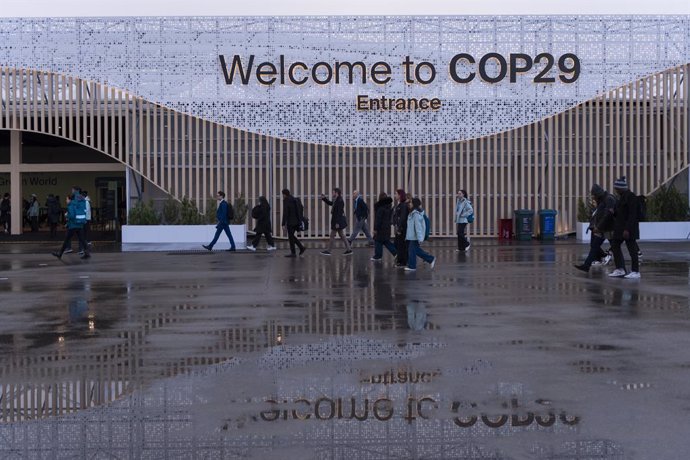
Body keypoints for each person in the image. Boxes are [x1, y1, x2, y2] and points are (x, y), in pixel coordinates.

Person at [574, 184, 616, 273]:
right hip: (603, 228)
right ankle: (587, 265)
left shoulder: (608, 199)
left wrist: (599, 227)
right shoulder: (602, 200)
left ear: (598, 194)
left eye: (594, 195)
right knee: (595, 246)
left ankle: (621, 268)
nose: (593, 197)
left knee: (615, 248)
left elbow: (607, 215)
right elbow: (598, 215)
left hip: (607, 228)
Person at [608, 176, 641, 279]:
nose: (616, 191)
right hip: (620, 228)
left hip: (628, 229)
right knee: (614, 245)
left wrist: (627, 229)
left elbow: (632, 215)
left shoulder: (631, 197)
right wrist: (614, 212)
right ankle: (620, 269)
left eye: (617, 189)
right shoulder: (621, 197)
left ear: (621, 188)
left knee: (632, 249)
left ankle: (635, 271)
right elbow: (620, 213)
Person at [52, 192, 90, 259]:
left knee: (66, 240)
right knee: (82, 239)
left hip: (73, 225)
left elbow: (72, 216)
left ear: (70, 199)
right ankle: (87, 253)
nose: (66, 201)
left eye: (67, 199)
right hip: (80, 224)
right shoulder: (77, 204)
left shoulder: (71, 205)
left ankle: (60, 254)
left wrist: (67, 215)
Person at [405, 197, 436, 271]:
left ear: (414, 204)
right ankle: (430, 259)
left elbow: (418, 227)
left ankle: (412, 266)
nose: (410, 204)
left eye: (411, 202)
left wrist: (419, 238)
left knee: (412, 250)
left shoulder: (415, 214)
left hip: (415, 236)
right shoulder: (413, 212)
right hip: (413, 236)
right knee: (415, 250)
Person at [320, 188, 352, 256]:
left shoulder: (340, 201)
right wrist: (324, 198)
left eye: (333, 192)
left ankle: (328, 251)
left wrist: (337, 223)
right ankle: (349, 249)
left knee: (332, 235)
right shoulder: (336, 200)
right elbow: (331, 203)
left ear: (336, 193)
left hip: (337, 222)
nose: (332, 193)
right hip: (337, 221)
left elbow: (339, 213)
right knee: (342, 235)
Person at [371, 192, 397, 261]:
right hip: (387, 227)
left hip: (380, 228)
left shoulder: (380, 208)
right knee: (386, 241)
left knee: (378, 241)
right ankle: (396, 253)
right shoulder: (389, 207)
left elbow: (378, 219)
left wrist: (375, 229)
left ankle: (378, 256)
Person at [281, 188, 306, 258]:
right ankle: (300, 248)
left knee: (291, 236)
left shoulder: (286, 200)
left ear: (284, 194)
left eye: (283, 194)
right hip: (297, 221)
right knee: (291, 236)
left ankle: (294, 252)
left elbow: (285, 212)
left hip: (291, 222)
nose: (282, 196)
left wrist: (283, 223)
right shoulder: (294, 199)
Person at [392, 189, 409, 267]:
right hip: (398, 228)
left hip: (402, 229)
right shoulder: (399, 205)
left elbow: (402, 217)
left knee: (401, 245)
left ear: (400, 195)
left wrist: (399, 227)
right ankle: (400, 260)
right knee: (398, 244)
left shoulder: (403, 205)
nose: (395, 195)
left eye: (396, 194)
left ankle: (402, 262)